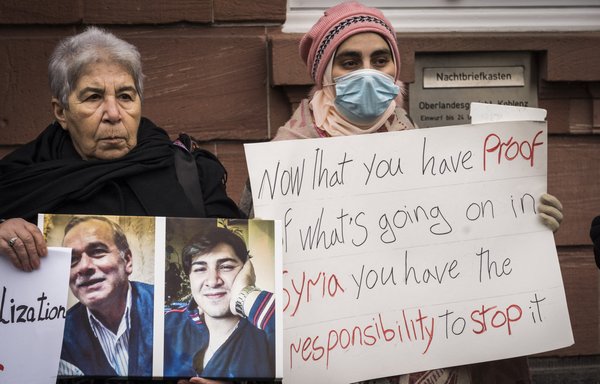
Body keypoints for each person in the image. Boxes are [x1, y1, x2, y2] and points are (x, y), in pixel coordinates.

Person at [239, 2, 564, 384]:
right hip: (335, 359)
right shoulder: (281, 164)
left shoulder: (429, 154)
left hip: (424, 350)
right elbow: (260, 271)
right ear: (324, 72)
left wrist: (527, 222)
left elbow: (470, 249)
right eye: (349, 61)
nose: (368, 73)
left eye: (380, 60)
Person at [0, 26, 242, 274]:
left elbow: (239, 249)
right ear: (61, 111)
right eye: (94, 97)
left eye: (125, 96)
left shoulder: (189, 171)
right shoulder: (19, 181)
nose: (113, 114)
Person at [164, 226, 275, 380]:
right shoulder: (167, 322)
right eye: (200, 269)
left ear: (247, 271)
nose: (213, 281)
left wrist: (245, 295)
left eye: (226, 267)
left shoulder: (266, 333)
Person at [58, 215, 153, 377]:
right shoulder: (59, 333)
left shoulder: (165, 308)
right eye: (73, 259)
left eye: (97, 252)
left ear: (127, 261)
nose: (84, 267)